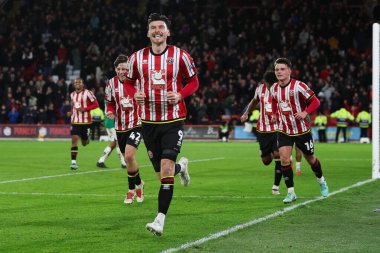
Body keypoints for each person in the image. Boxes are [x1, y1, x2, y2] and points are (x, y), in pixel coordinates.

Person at [125, 13, 199, 236]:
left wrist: (180, 95)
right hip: (147, 122)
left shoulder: (181, 56)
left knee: (165, 169)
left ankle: (159, 220)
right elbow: (128, 83)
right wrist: (134, 94)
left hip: (173, 120)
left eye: (161, 27)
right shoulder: (136, 58)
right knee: (162, 174)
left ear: (168, 32)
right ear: (148, 33)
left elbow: (194, 81)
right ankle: (182, 168)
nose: (157, 31)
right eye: (153, 28)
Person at [270, 58, 329, 204]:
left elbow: (316, 101)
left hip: (302, 130)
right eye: (277, 69)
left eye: (282, 69)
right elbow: (273, 101)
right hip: (284, 130)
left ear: (289, 71)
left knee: (311, 159)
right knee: (284, 159)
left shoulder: (299, 86)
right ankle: (291, 192)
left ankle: (321, 181)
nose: (279, 72)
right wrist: (274, 114)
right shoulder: (273, 88)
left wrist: (305, 112)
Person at [105, 54, 145, 204]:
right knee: (129, 159)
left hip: (136, 124)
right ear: (115, 69)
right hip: (120, 126)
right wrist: (110, 111)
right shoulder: (110, 84)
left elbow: (144, 97)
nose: (122, 71)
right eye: (119, 69)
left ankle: (130, 191)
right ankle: (139, 183)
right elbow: (110, 102)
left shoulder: (137, 82)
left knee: (128, 156)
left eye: (124, 69)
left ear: (129, 69)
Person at [241, 71, 282, 196]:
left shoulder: (281, 90)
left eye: (271, 84)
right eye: (268, 84)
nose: (269, 87)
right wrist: (247, 113)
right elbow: (254, 101)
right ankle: (268, 151)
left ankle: (276, 186)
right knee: (266, 161)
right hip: (263, 129)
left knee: (277, 156)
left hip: (277, 128)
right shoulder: (260, 89)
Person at [68, 78, 99, 170]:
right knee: (74, 140)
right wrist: (70, 112)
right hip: (75, 121)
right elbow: (74, 106)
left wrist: (84, 109)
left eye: (79, 82)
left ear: (82, 84)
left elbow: (96, 104)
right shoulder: (72, 94)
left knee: (84, 143)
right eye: (76, 82)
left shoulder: (88, 93)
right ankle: (73, 162)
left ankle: (86, 138)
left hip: (86, 122)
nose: (77, 84)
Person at [96, 100, 127, 169]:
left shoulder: (109, 97)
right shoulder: (113, 97)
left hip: (110, 122)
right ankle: (124, 163)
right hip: (112, 123)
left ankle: (100, 161)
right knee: (119, 143)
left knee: (113, 144)